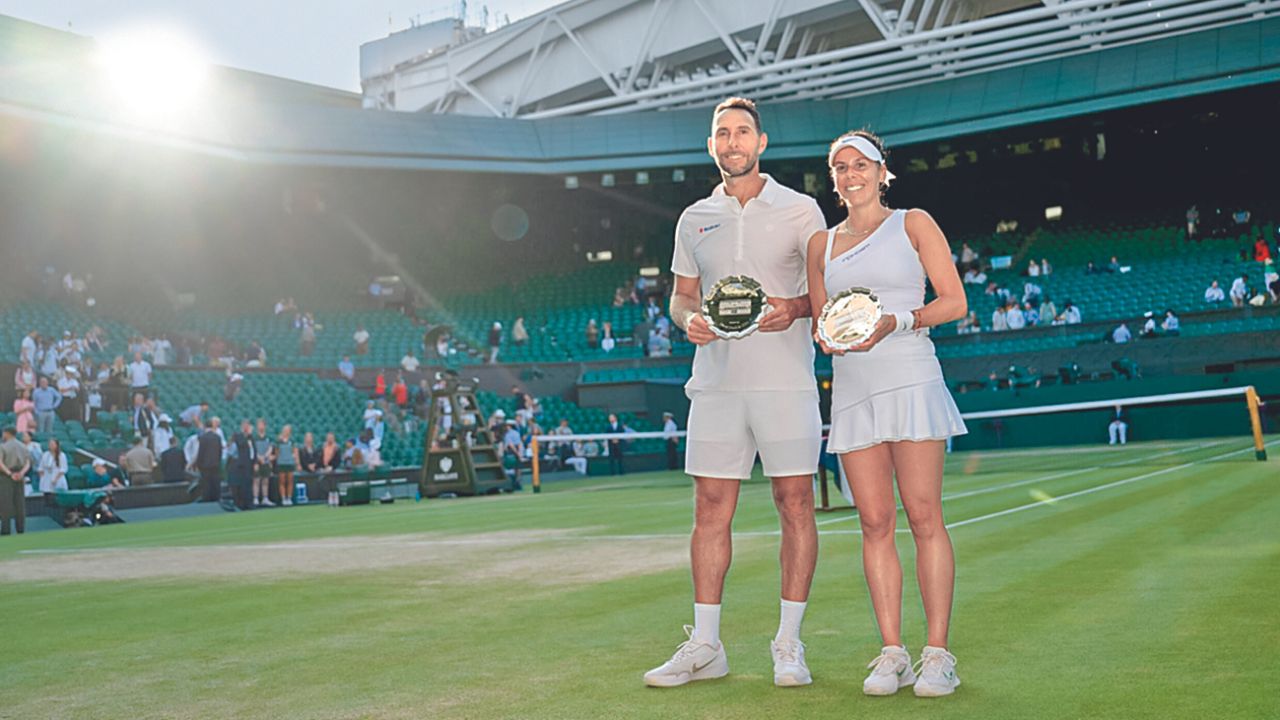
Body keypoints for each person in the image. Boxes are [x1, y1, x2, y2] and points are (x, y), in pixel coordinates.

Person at [645, 98, 826, 690]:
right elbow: (681, 296)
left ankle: (789, 643)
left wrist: (792, 309)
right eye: (721, 133)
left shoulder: (802, 211)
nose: (732, 141)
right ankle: (705, 646)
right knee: (708, 511)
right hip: (717, 384)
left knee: (796, 505)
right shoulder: (693, 217)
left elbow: (823, 297)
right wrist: (685, 320)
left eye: (741, 131)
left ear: (761, 141)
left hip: (785, 381)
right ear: (711, 145)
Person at [808, 130, 967, 697]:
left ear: (881, 172)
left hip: (911, 378)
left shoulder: (914, 222)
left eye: (860, 165)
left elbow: (954, 302)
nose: (850, 175)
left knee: (924, 517)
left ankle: (938, 654)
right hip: (854, 391)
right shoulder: (820, 245)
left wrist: (896, 322)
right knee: (874, 523)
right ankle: (893, 652)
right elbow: (820, 321)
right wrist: (828, 335)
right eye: (840, 168)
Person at [1, 427, 31, 536]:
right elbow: (28, 463)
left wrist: (10, 473)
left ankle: (6, 530)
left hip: (6, 476)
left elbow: (0, 463)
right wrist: (21, 473)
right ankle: (20, 529)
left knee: (6, 504)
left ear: (7, 434)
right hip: (20, 475)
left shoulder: (3, 446)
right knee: (20, 504)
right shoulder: (23, 446)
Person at [195, 420, 224, 503]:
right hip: (215, 464)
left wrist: (199, 464)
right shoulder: (217, 437)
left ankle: (207, 500)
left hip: (205, 465)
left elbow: (201, 452)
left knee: (206, 484)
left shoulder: (203, 438)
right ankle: (217, 499)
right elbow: (220, 451)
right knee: (215, 483)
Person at [252, 419, 275, 507]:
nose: (260, 426)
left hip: (266, 461)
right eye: (259, 424)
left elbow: (270, 448)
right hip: (257, 461)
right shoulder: (254, 437)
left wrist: (265, 456)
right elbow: (253, 449)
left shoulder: (268, 437)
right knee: (256, 480)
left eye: (262, 425)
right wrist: (258, 457)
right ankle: (256, 498)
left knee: (265, 480)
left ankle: (265, 498)